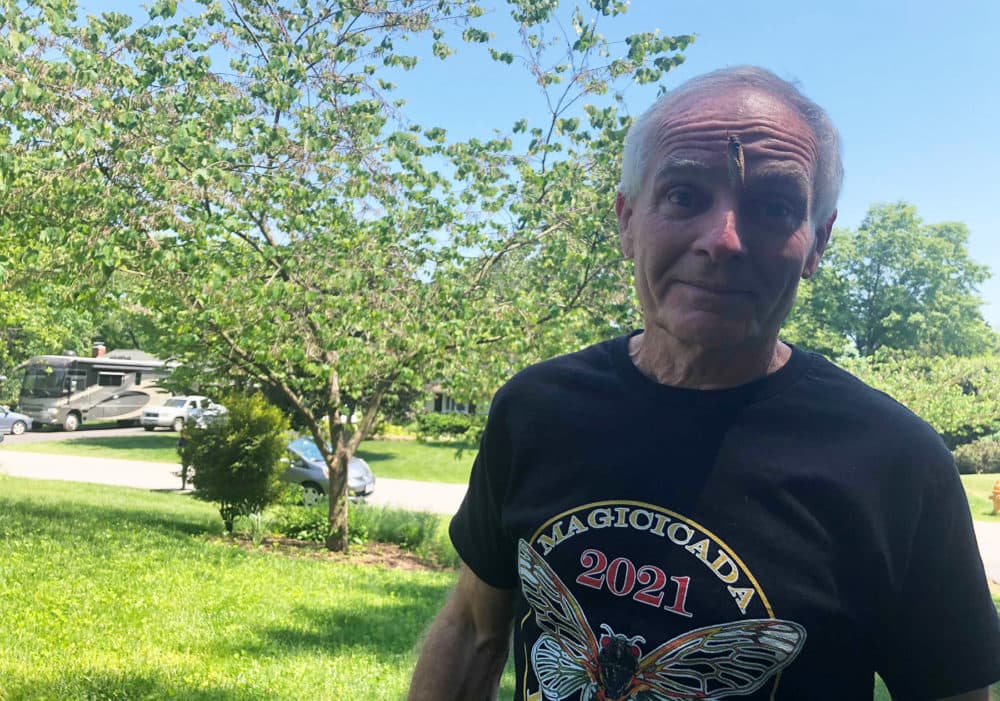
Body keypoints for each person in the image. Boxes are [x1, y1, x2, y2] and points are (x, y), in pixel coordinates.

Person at [407, 66, 1000, 700]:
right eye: (684, 195)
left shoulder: (896, 464)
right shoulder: (536, 410)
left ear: (817, 243)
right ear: (628, 220)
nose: (723, 241)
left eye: (773, 207)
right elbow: (473, 629)